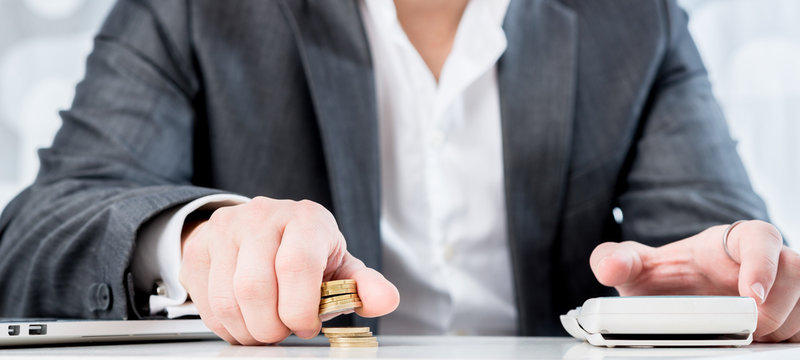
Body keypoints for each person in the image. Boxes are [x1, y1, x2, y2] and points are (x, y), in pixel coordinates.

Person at [0, 0, 797, 345]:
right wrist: (198, 239)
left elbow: (717, 246)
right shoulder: (193, 10)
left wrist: (744, 283)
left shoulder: (633, 17)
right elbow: (36, 235)